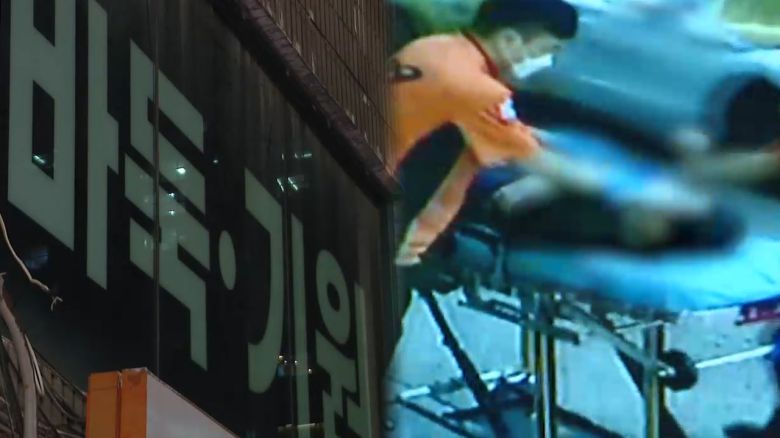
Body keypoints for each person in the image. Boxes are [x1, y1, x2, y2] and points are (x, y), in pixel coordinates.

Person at [390, 0, 597, 269]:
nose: (547, 61)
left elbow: (506, 130)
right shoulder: (482, 92)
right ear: (509, 40)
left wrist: (552, 142)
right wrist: (607, 183)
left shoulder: (431, 47)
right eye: (547, 50)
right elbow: (532, 159)